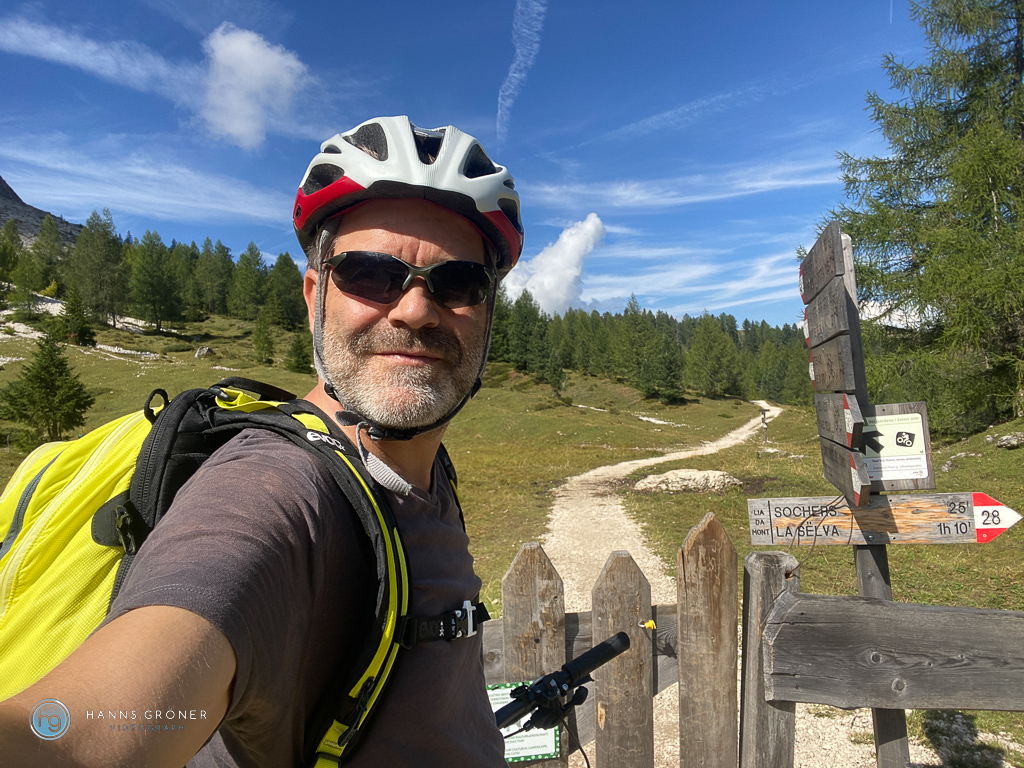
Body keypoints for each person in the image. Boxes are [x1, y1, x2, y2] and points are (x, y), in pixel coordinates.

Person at [0, 116, 524, 767]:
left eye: (457, 284)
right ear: (314, 297)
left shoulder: (426, 469)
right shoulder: (271, 493)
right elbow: (86, 732)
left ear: (488, 313)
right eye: (370, 274)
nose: (416, 310)